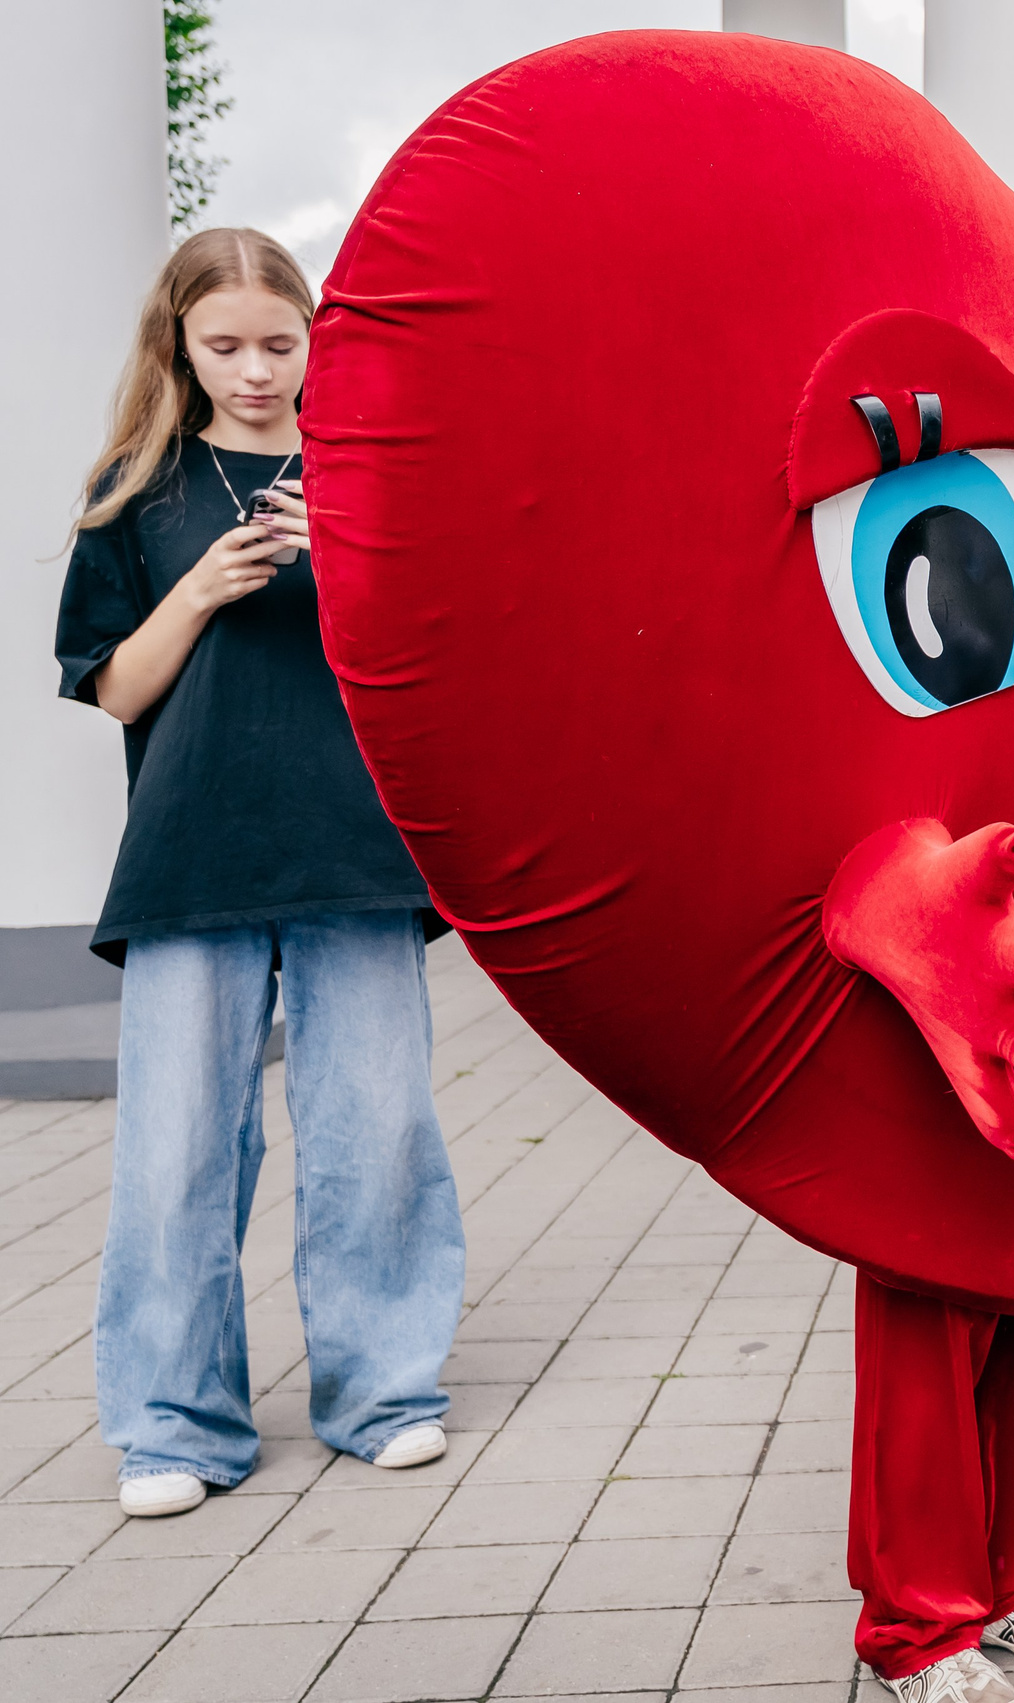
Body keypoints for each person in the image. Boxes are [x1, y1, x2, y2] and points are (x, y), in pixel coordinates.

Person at [54, 229, 465, 1520]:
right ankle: (173, 1419)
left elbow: (433, 650)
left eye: (279, 344)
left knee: (378, 1126)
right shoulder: (138, 488)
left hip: (355, 842)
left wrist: (345, 556)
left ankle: (384, 1390)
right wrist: (202, 590)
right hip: (189, 850)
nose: (254, 371)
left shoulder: (365, 473)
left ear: (314, 339)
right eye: (224, 345)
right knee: (176, 1141)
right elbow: (112, 683)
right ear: (178, 342)